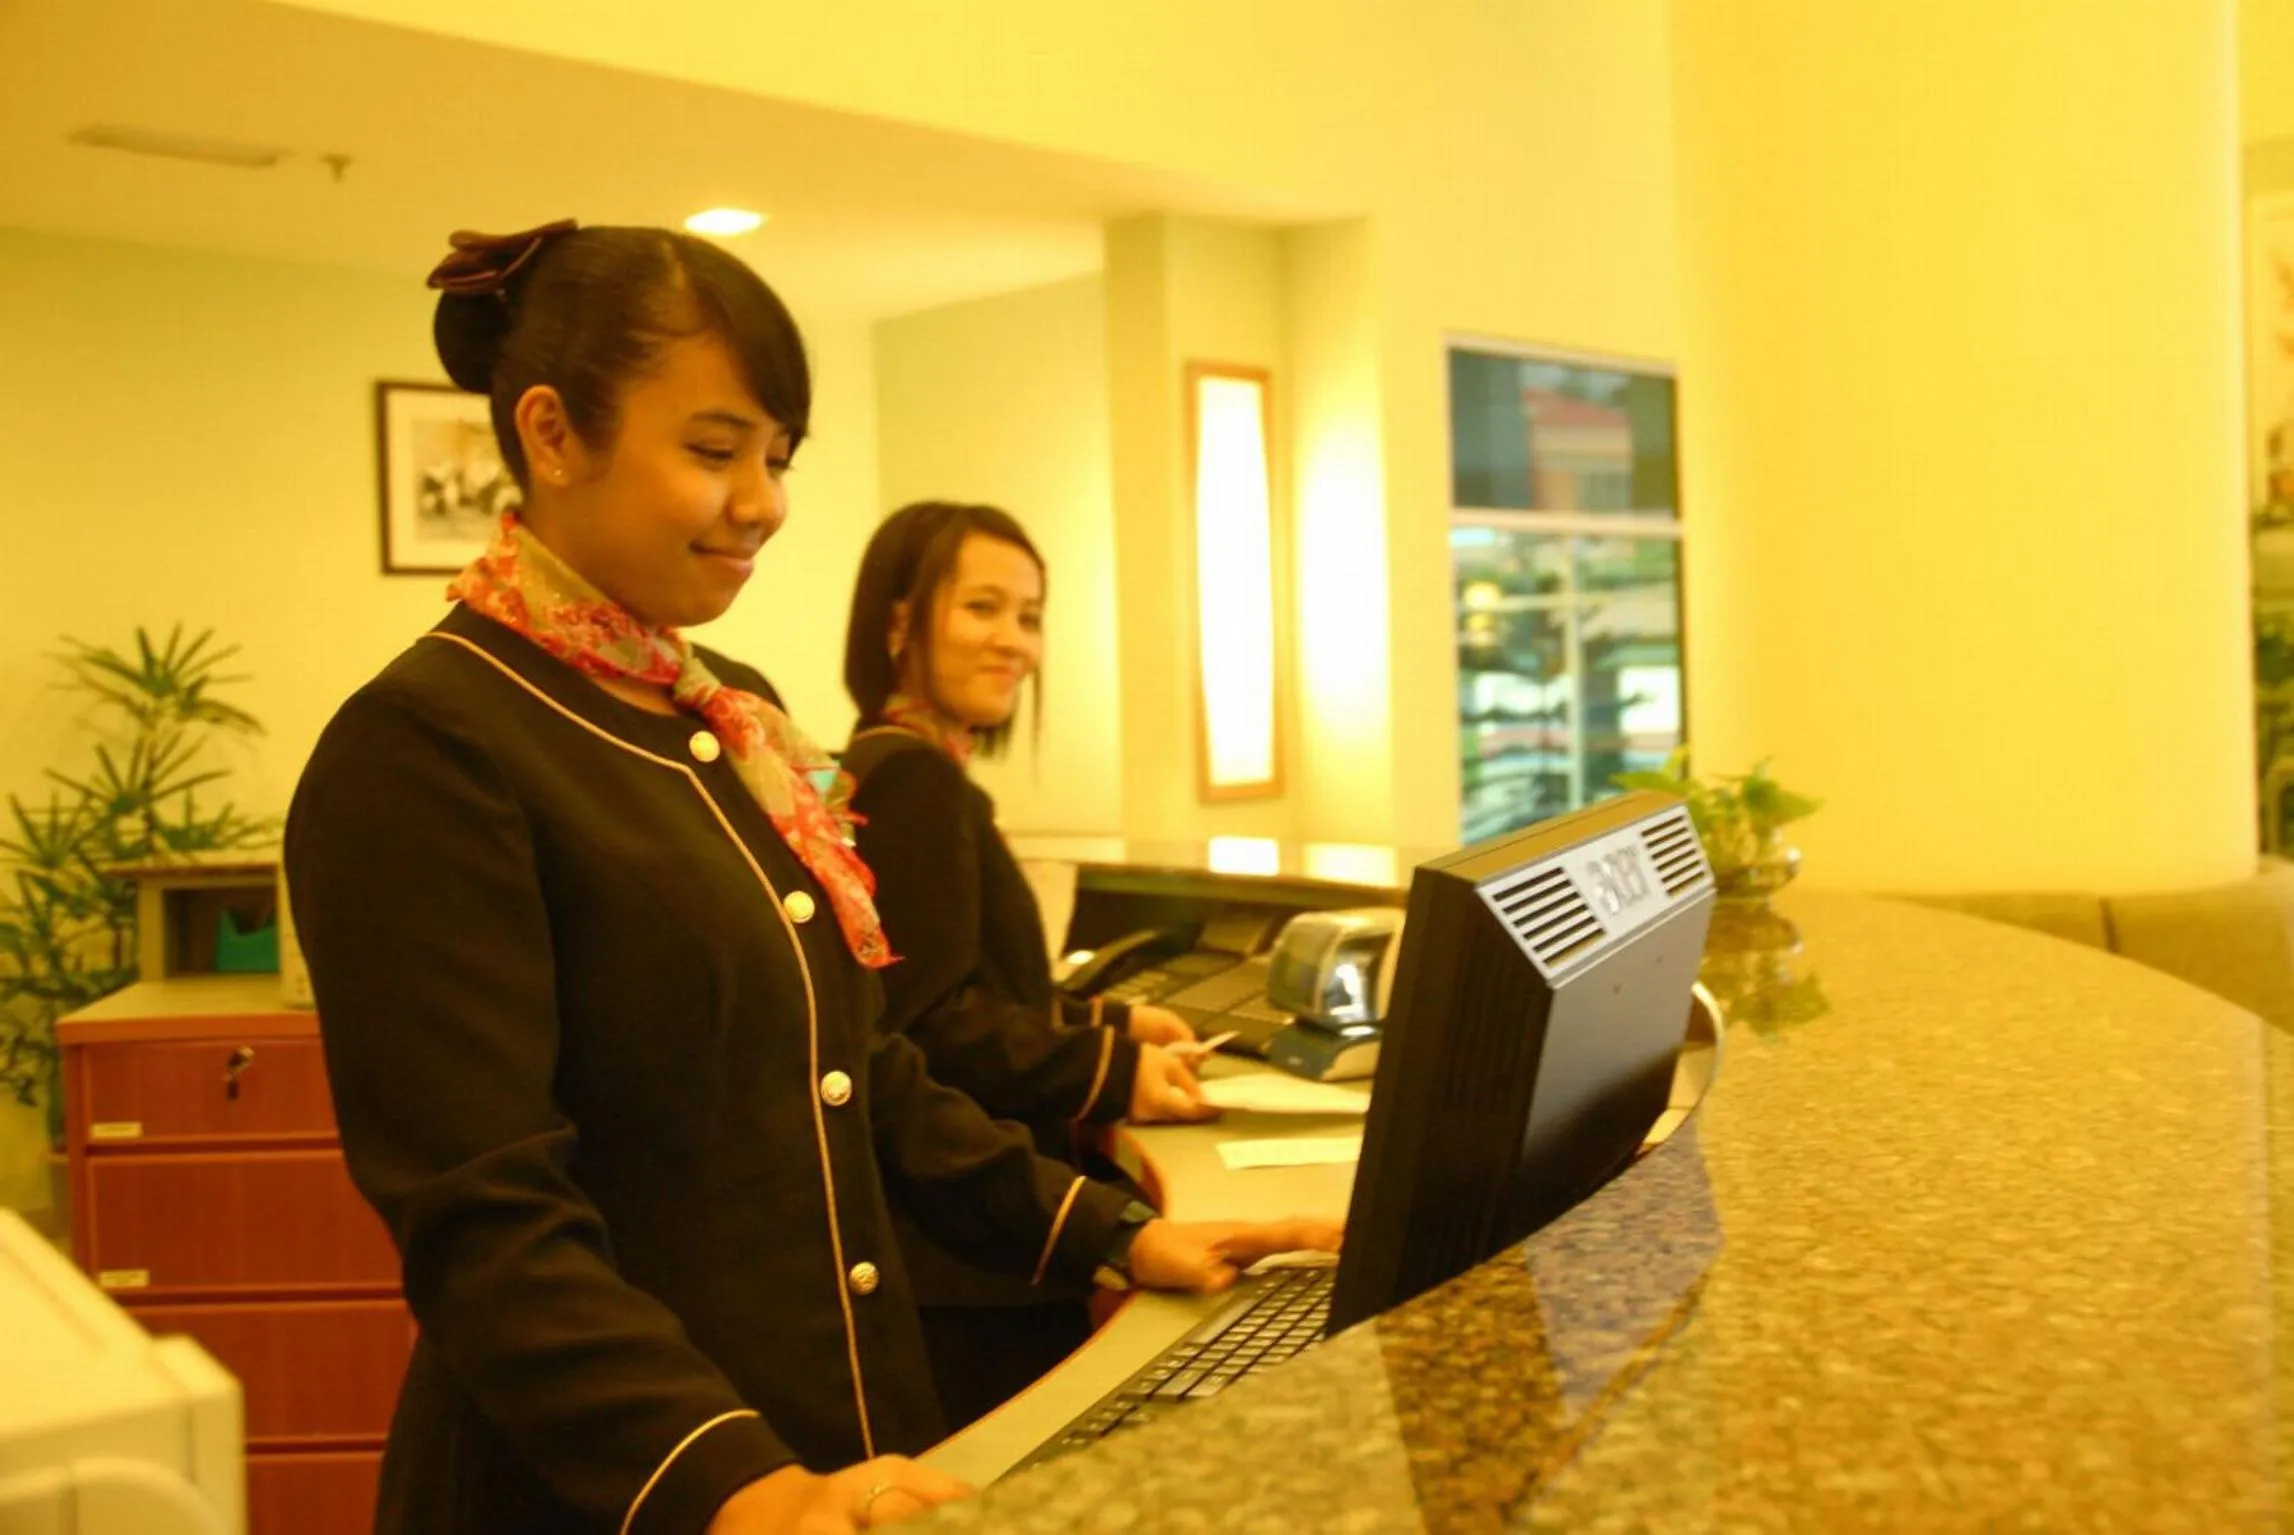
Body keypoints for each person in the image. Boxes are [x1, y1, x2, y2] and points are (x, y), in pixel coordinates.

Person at [284, 220, 1338, 1535]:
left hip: (837, 1446)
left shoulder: (721, 716)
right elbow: (488, 1219)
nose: (765, 501)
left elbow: (856, 1065)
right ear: (552, 434)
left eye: (776, 458)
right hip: (628, 1487)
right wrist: (734, 1478)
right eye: (715, 450)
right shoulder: (432, 744)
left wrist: (1108, 1228)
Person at [838, 501, 1230, 1427]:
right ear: (899, 622)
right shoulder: (912, 780)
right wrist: (1114, 1071)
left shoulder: (900, 767)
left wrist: (1113, 1022)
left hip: (965, 1252)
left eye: (1029, 615)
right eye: (982, 608)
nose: (1015, 642)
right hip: (970, 1265)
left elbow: (962, 979)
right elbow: (930, 1026)